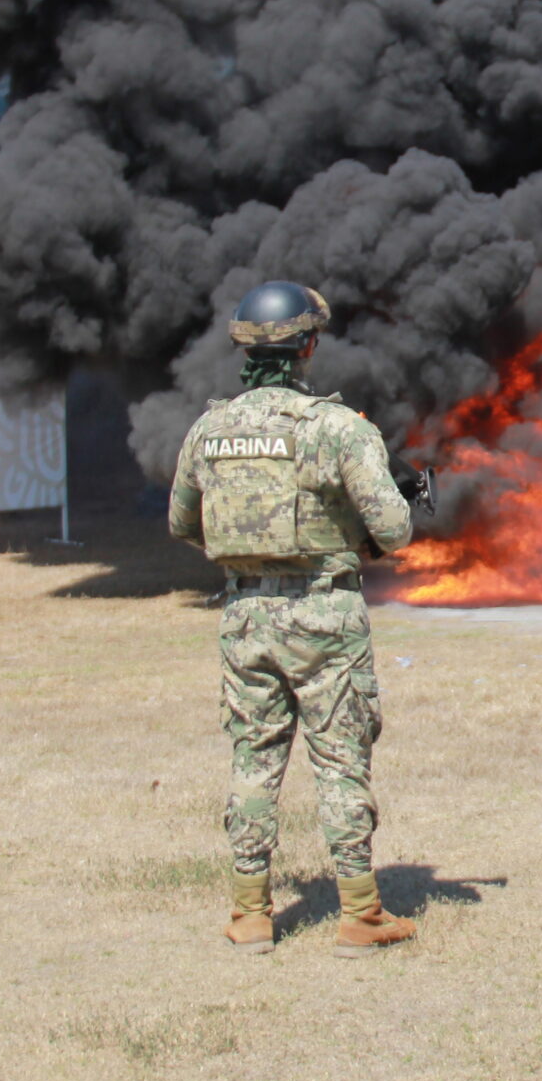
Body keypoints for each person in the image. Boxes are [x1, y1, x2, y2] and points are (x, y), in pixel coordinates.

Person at [169, 280, 422, 957]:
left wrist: (251, 553)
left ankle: (250, 912)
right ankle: (360, 915)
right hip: (323, 612)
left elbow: (181, 522)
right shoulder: (339, 429)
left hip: (245, 613)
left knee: (254, 759)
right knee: (340, 760)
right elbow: (394, 529)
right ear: (308, 346)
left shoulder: (209, 429)